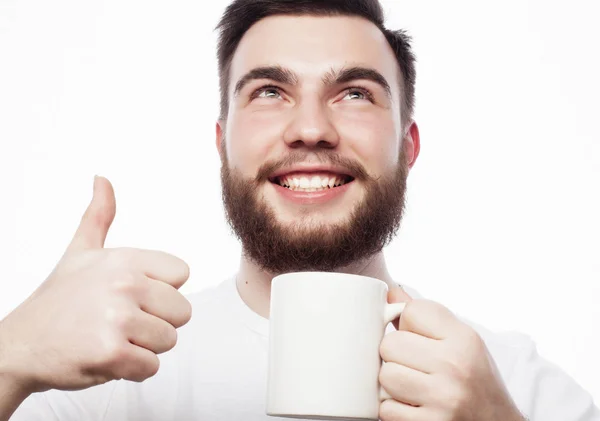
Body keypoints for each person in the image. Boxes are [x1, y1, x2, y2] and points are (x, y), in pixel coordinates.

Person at [0, 0, 598, 420]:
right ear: (221, 141)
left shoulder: (513, 385)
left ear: (407, 147)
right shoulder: (108, 373)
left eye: (355, 93)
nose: (311, 128)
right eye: (269, 92)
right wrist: (13, 354)